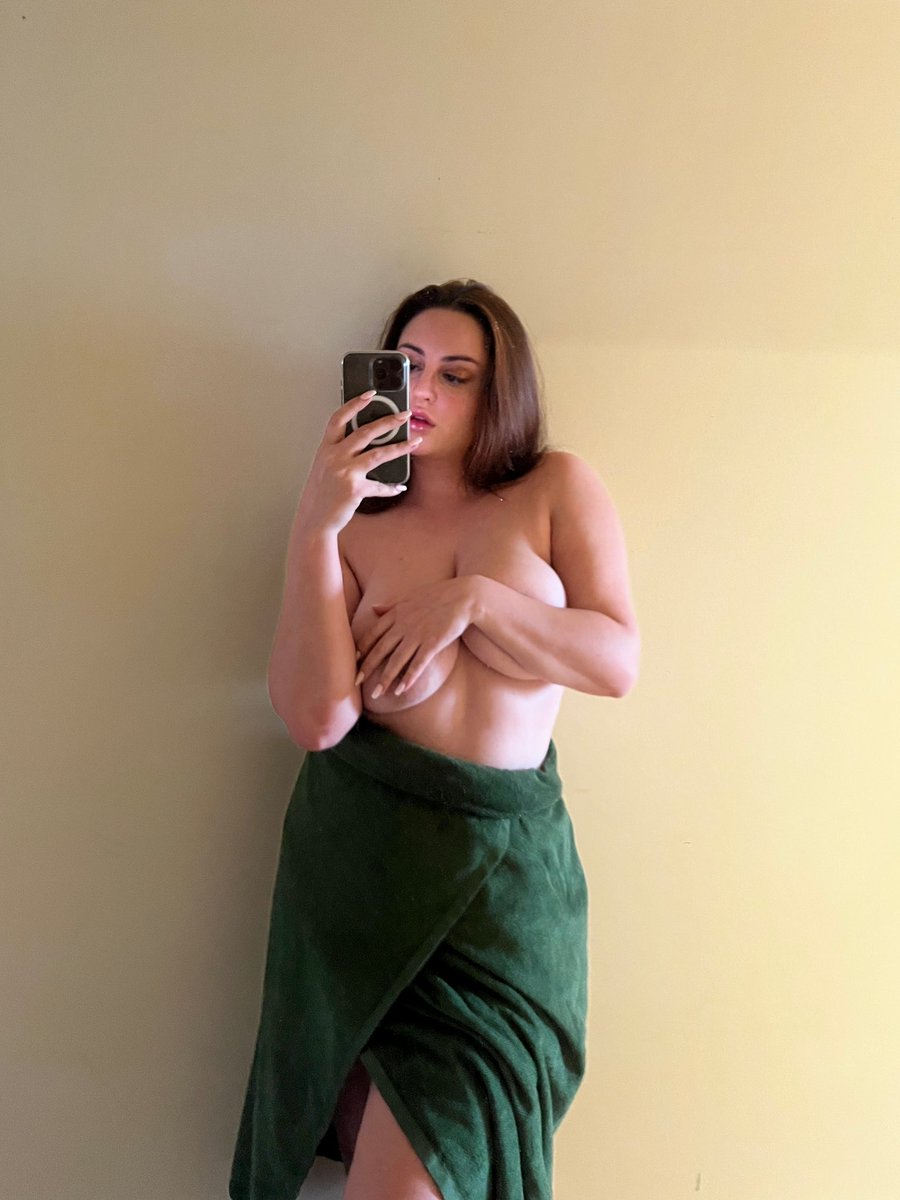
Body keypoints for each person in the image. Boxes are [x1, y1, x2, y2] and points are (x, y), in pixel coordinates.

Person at [229, 280, 640, 1200]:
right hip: (366, 892)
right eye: (407, 366)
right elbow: (317, 719)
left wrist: (473, 601)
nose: (422, 392)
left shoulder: (553, 488)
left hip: (505, 908)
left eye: (458, 375)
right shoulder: (355, 528)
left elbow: (616, 662)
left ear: (501, 393)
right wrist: (315, 522)